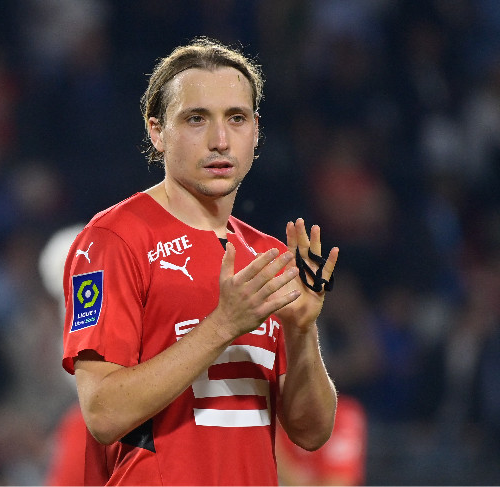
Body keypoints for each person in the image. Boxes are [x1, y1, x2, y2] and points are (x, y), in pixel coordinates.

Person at [61, 37, 339, 485]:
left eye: (236, 118)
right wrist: (223, 325)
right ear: (157, 131)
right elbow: (103, 413)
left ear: (255, 131)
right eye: (196, 119)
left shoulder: (267, 257)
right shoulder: (113, 240)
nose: (220, 140)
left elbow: (311, 433)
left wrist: (302, 331)